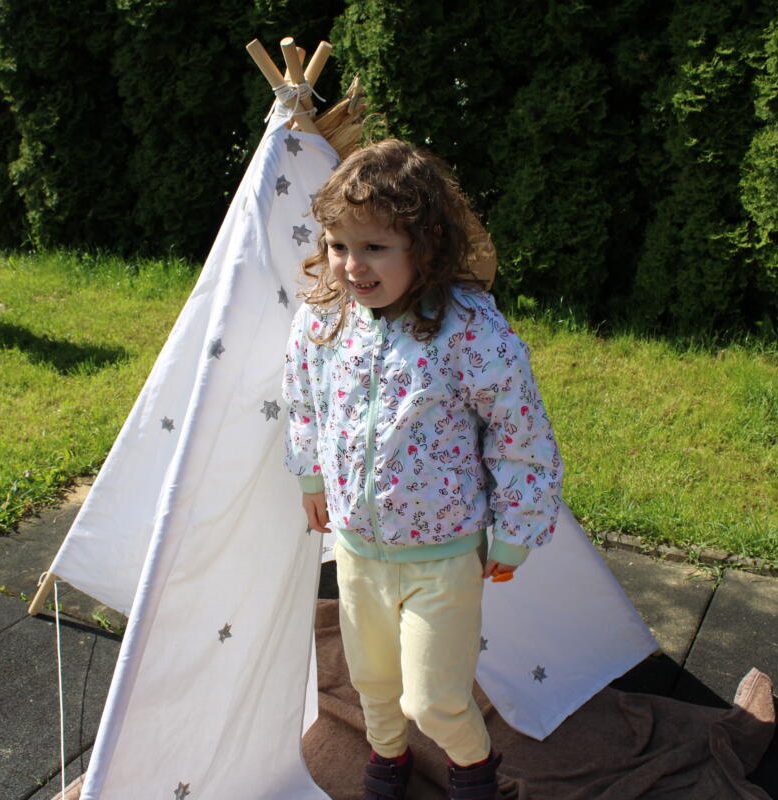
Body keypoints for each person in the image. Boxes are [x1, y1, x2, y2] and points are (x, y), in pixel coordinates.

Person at [281, 138, 563, 800]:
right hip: (357, 549)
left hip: (444, 555)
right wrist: (312, 474)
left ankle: (473, 767)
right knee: (373, 681)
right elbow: (302, 395)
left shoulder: (468, 330)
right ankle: (388, 757)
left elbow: (519, 432)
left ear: (425, 247)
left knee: (433, 700)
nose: (352, 265)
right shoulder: (325, 318)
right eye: (338, 245)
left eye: (375, 247)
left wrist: (516, 529)